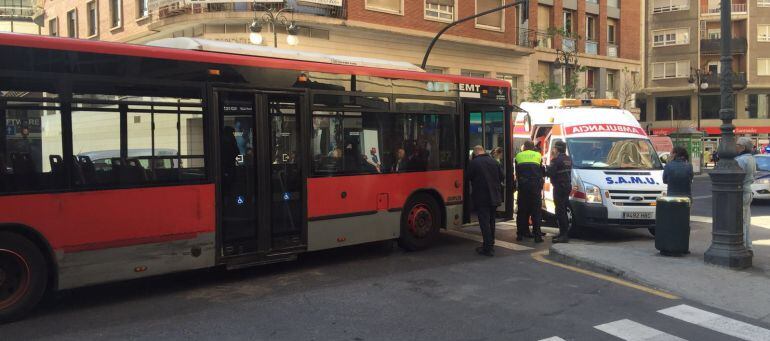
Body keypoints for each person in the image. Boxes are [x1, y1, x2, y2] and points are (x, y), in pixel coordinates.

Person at [467, 145, 504, 257]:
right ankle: (491, 243)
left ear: (475, 153)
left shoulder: (474, 163)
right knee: (491, 221)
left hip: (481, 197)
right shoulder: (494, 162)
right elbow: (502, 176)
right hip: (494, 197)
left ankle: (487, 248)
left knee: (484, 222)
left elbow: (467, 177)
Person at [515, 140, 545, 243]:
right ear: (532, 147)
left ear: (524, 147)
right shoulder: (538, 155)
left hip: (523, 187)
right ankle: (537, 236)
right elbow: (542, 171)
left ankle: (519, 235)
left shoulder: (518, 156)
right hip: (535, 188)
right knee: (536, 212)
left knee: (522, 212)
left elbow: (517, 173)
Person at [547, 140, 573, 243]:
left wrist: (548, 166)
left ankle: (563, 235)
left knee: (560, 211)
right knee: (564, 210)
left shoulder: (556, 160)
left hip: (559, 187)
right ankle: (563, 233)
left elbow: (550, 173)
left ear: (556, 149)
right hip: (567, 186)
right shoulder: (568, 159)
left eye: (554, 148)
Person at [736, 137, 757, 254]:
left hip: (741, 192)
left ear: (743, 147)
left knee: (741, 221)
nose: (735, 147)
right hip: (748, 191)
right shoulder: (751, 159)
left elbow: (736, 177)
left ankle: (742, 247)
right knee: (746, 221)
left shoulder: (740, 160)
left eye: (737, 145)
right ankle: (748, 246)